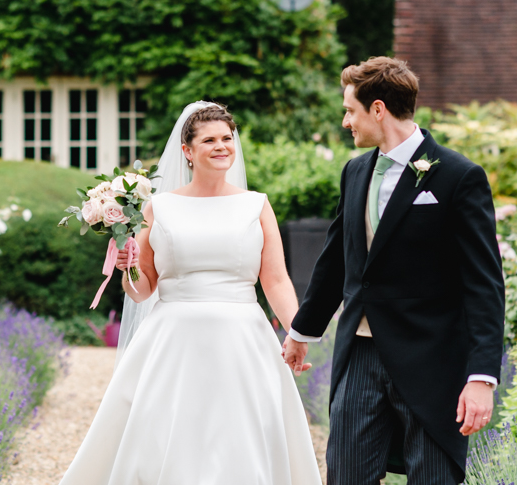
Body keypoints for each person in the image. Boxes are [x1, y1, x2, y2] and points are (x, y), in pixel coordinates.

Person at [58, 102, 322, 485]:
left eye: (227, 138)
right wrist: (126, 266)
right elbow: (142, 288)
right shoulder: (157, 206)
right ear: (187, 150)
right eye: (210, 140)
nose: (221, 146)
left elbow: (276, 281)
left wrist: (297, 333)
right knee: (167, 436)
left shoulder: (256, 205)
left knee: (241, 438)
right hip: (173, 340)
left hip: (243, 341)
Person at [282, 58, 505, 485]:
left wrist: (482, 378)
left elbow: (484, 283)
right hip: (360, 357)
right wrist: (300, 332)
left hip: (431, 361)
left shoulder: (459, 177)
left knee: (433, 479)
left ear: (378, 109)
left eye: (350, 110)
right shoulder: (355, 172)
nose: (346, 121)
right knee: (346, 476)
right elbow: (336, 261)